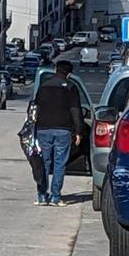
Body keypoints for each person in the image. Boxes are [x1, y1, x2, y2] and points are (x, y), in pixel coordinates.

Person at [33, 60, 83, 206]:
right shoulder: (71, 87)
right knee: (60, 164)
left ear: (56, 70)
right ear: (69, 74)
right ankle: (56, 197)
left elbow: (35, 107)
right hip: (63, 130)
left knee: (44, 162)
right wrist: (79, 132)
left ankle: (42, 195)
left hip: (43, 129)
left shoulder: (43, 86)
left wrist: (33, 128)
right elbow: (75, 110)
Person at [17, 103, 49, 205]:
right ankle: (48, 193)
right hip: (37, 142)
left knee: (40, 166)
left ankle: (43, 193)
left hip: (36, 142)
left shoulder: (37, 101)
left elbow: (30, 121)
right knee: (43, 166)